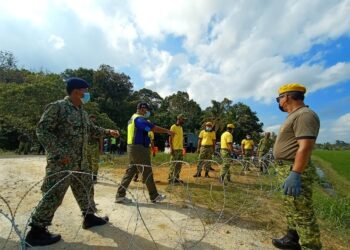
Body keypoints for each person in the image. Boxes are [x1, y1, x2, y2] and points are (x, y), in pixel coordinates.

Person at [25, 77, 120, 247]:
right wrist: (60, 153)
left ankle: (89, 217)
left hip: (81, 162)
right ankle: (36, 231)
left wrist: (108, 131)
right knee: (54, 195)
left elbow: (92, 129)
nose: (87, 94)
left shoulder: (82, 112)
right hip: (62, 162)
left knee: (86, 189)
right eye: (85, 91)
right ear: (76, 91)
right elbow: (42, 130)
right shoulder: (58, 107)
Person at [272, 83, 322, 250]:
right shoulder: (295, 115)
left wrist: (296, 173)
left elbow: (305, 146)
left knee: (302, 212)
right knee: (291, 207)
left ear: (286, 97)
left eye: (279, 98)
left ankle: (311, 246)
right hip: (287, 167)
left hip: (294, 168)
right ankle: (292, 239)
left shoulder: (304, 115)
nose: (279, 102)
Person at [115, 102, 175, 204]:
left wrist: (150, 132)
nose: (147, 112)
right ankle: (154, 196)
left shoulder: (132, 119)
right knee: (147, 171)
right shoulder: (139, 119)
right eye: (146, 110)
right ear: (142, 109)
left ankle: (120, 195)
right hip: (139, 148)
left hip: (132, 148)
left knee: (131, 171)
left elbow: (148, 129)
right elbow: (153, 128)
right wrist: (167, 131)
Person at [168, 114, 186, 184]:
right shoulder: (173, 127)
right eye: (183, 119)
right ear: (179, 119)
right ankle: (171, 179)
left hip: (180, 149)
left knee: (179, 165)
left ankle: (176, 178)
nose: (184, 121)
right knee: (173, 164)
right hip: (175, 149)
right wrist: (171, 148)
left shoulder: (181, 128)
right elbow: (170, 139)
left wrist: (182, 148)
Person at [87, 114, 104, 182]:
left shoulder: (97, 128)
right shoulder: (86, 128)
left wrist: (101, 149)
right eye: (91, 119)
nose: (92, 120)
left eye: (93, 119)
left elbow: (101, 138)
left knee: (95, 162)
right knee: (88, 162)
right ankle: (88, 176)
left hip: (95, 145)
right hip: (87, 146)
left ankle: (94, 177)